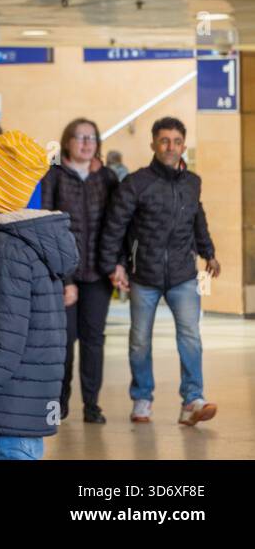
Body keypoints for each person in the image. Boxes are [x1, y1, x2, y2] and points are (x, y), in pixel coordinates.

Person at [0, 131, 76, 460]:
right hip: (21, 412)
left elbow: (2, 347)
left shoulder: (3, 251)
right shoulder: (30, 244)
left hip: (6, 420)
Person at [98, 116, 219, 426]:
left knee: (190, 336)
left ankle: (192, 399)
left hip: (183, 274)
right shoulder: (136, 183)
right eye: (164, 141)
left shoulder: (193, 182)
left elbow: (197, 218)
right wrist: (115, 264)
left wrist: (209, 253)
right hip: (144, 275)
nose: (171, 147)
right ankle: (142, 398)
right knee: (139, 339)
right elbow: (115, 225)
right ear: (153, 143)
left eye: (177, 141)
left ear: (183, 145)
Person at [41, 118, 118, 425]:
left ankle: (92, 404)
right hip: (66, 276)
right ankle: (59, 404)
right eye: (80, 137)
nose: (87, 143)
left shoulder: (108, 178)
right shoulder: (54, 176)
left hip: (99, 274)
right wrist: (64, 279)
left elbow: (119, 225)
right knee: (65, 340)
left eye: (92, 138)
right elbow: (46, 226)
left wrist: (119, 263)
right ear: (67, 141)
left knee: (93, 340)